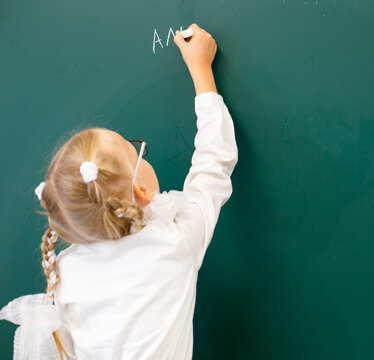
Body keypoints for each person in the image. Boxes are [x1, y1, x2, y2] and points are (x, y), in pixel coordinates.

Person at [0, 23, 238, 359]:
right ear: (141, 190)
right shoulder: (174, 241)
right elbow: (214, 163)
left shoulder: (65, 273)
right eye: (134, 151)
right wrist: (201, 71)